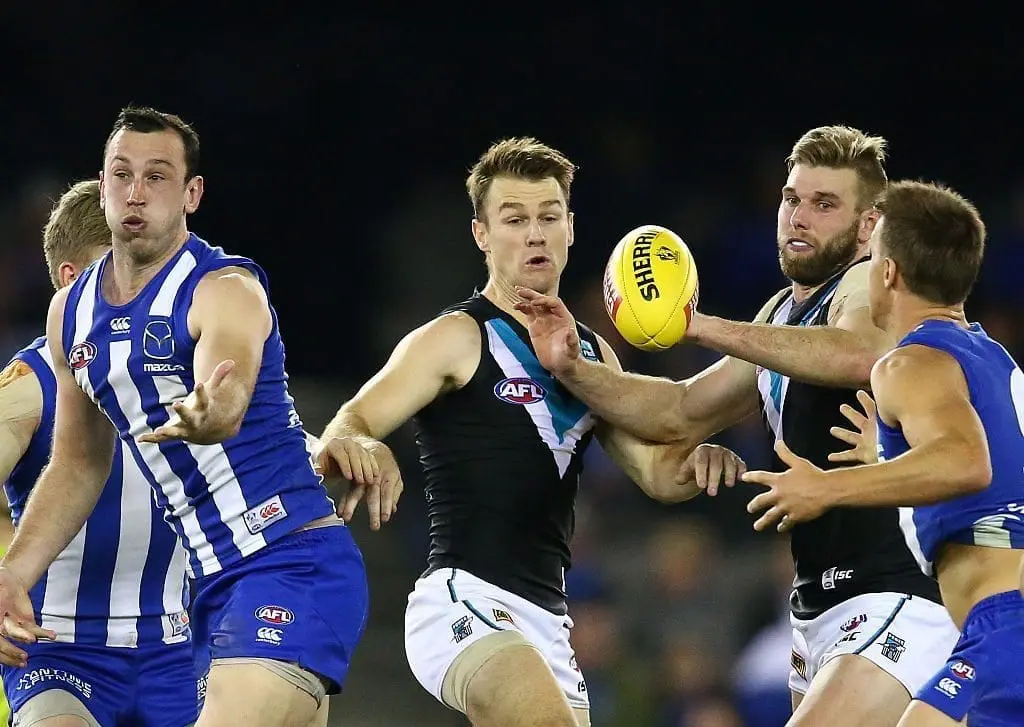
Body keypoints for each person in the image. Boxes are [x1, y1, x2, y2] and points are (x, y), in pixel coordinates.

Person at [515, 126, 959, 726]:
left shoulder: (869, 288)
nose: (799, 218)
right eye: (791, 199)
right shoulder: (781, 313)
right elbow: (679, 410)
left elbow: (861, 352)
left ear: (868, 225)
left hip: (900, 589)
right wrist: (571, 365)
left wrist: (696, 326)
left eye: (824, 205)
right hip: (819, 604)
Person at [316, 136, 744, 727]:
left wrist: (699, 465)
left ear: (571, 227)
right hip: (463, 600)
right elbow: (352, 419)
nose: (535, 234)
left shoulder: (591, 355)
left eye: (548, 217)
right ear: (481, 235)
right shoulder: (455, 337)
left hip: (548, 621)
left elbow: (655, 475)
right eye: (514, 219)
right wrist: (361, 442)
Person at [0, 106, 375, 727]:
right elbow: (78, 462)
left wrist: (212, 410)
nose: (136, 192)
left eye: (157, 176)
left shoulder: (223, 287)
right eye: (122, 175)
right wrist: (14, 573)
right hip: (210, 591)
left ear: (191, 193)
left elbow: (226, 384)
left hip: (288, 561)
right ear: (103, 184)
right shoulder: (70, 313)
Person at [744, 179, 1024, 726]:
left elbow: (966, 462)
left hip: (1004, 626)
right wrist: (890, 461)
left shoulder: (907, 363)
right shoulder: (995, 362)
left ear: (888, 272)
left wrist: (824, 486)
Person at [0, 179, 197, 726]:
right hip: (58, 653)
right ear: (71, 282)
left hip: (181, 654)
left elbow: (285, 454)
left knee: (302, 698)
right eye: (126, 269)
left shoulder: (190, 370)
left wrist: (345, 442)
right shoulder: (30, 383)